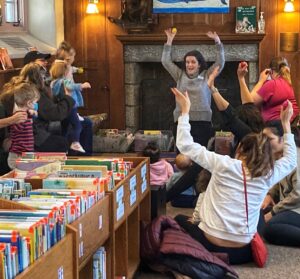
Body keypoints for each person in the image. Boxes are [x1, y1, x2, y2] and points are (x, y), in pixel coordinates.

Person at [171, 86, 296, 265]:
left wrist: (185, 111)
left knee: (179, 219)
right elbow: (291, 160)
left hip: (210, 245)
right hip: (244, 253)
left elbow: (185, 145)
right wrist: (286, 126)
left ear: (239, 150)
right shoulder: (267, 173)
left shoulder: (223, 164)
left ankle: (204, 256)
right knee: (259, 214)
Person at [162, 28, 224, 147]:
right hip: (182, 120)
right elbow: (165, 62)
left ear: (199, 64)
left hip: (203, 122)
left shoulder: (207, 74)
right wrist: (169, 40)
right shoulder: (180, 75)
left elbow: (220, 63)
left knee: (200, 156)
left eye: (193, 62)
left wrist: (218, 42)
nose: (189, 65)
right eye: (187, 62)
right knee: (183, 156)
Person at [49, 60, 91, 153]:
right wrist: (83, 85)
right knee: (77, 126)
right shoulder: (64, 81)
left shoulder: (53, 83)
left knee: (64, 128)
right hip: (70, 106)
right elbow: (71, 86)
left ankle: (63, 147)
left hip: (62, 107)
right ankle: (75, 142)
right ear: (64, 72)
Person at [250, 57, 299, 123]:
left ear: (271, 71)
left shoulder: (273, 84)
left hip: (276, 127)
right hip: (291, 124)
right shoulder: (291, 82)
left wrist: (261, 81)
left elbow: (250, 102)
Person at [2, 82, 40, 169]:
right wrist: (27, 117)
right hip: (18, 154)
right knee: (23, 175)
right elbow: (16, 129)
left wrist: (32, 114)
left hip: (26, 152)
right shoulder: (20, 115)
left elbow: (33, 118)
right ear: (29, 103)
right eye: (35, 102)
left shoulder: (25, 113)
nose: (36, 105)